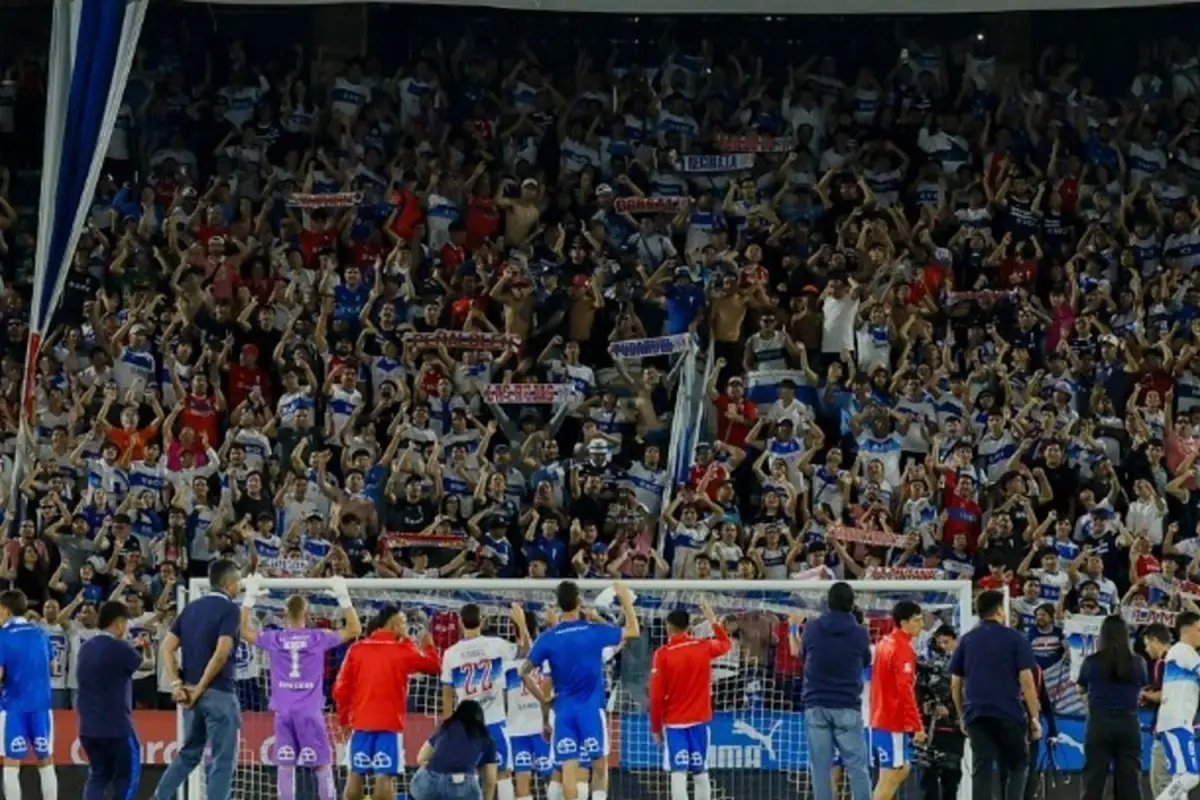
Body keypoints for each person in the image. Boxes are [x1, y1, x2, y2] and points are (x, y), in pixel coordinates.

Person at [240, 574, 362, 800]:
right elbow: (355, 629)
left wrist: (249, 599)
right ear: (307, 614)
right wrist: (343, 596)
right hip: (309, 712)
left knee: (285, 766)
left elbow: (243, 631)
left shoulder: (275, 638)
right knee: (322, 766)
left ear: (284, 614)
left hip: (283, 713)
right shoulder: (318, 637)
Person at [521, 580, 640, 800]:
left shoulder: (547, 638)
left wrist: (544, 701)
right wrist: (625, 600)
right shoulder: (592, 631)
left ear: (558, 604)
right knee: (600, 767)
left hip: (564, 711)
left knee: (568, 770)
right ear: (578, 601)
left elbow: (523, 672)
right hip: (591, 709)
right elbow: (633, 630)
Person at [151, 558, 243, 800]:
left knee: (189, 753)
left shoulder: (190, 608)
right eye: (238, 581)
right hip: (218, 693)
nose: (239, 586)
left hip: (190, 695)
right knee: (222, 759)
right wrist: (201, 687)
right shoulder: (230, 609)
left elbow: (167, 648)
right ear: (229, 583)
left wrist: (177, 684)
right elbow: (221, 653)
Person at [333, 603, 442, 800]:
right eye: (404, 623)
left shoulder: (357, 649)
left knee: (355, 773)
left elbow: (340, 689)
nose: (406, 628)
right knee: (385, 775)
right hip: (389, 724)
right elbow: (434, 666)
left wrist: (343, 720)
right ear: (394, 625)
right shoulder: (402, 650)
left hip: (360, 722)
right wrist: (427, 645)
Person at [949, 589, 1041, 800]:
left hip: (976, 714)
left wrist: (962, 715)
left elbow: (955, 684)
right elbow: (1027, 681)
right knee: (1018, 764)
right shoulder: (1016, 638)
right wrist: (1034, 717)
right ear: (1000, 610)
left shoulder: (966, 640)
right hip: (1008, 713)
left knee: (981, 767)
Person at [441, 602, 531, 800]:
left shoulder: (450, 654)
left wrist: (448, 726)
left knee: (468, 775)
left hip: (467, 726)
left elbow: (446, 692)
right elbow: (525, 650)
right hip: (494, 721)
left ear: (460, 622)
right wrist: (520, 622)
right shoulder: (496, 645)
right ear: (482, 621)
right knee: (502, 773)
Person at [647, 598, 732, 800]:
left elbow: (656, 695)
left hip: (675, 723)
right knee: (700, 771)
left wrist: (656, 727)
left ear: (668, 627)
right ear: (689, 626)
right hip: (699, 721)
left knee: (678, 772)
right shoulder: (703, 646)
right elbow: (726, 644)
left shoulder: (663, 654)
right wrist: (713, 620)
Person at [800, 581, 872, 800]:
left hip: (816, 703)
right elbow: (866, 661)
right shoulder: (860, 633)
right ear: (852, 604)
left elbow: (804, 656)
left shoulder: (812, 628)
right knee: (857, 766)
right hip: (847, 704)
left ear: (828, 602)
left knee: (820, 768)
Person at [76, 600, 148, 800]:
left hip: (88, 727)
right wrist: (142, 647)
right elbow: (145, 664)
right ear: (118, 623)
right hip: (116, 727)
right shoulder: (119, 647)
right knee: (127, 775)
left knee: (98, 776)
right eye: (125, 623)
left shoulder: (85, 648)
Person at [1076, 614, 1146, 799]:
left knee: (1093, 780)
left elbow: (1081, 688)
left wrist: (1089, 700)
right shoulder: (1138, 662)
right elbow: (1141, 688)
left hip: (1099, 723)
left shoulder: (1091, 661)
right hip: (1128, 723)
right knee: (1129, 781)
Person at [0, 589, 57, 800]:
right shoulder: (41, 632)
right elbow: (52, 666)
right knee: (45, 760)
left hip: (13, 706)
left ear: (5, 610)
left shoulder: (2, 636)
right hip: (41, 705)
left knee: (11, 762)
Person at [869, 600, 926, 800]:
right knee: (893, 773)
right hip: (892, 721)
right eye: (917, 620)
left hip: (880, 716)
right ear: (904, 623)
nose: (921, 625)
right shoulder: (902, 648)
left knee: (901, 769)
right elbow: (905, 689)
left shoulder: (885, 642)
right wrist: (916, 725)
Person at [1153, 611, 1200, 800]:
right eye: (1199, 629)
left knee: (1180, 780)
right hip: (1177, 722)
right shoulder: (1184, 650)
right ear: (1187, 630)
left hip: (1175, 721)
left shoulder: (1181, 653)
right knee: (1190, 776)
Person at [412, 698, 499, 800]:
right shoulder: (486, 738)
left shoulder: (446, 727)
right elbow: (490, 781)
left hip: (427, 786)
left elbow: (420, 758)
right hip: (460, 788)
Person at [916, 625, 963, 800]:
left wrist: (952, 711)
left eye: (947, 642)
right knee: (928, 776)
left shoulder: (965, 665)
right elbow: (919, 693)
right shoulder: (929, 666)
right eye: (940, 642)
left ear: (955, 640)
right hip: (931, 729)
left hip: (955, 730)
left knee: (951, 778)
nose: (943, 646)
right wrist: (932, 705)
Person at [1142, 624, 1172, 798]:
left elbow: (1165, 694)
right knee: (1174, 783)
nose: (1146, 649)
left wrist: (1144, 694)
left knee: (1160, 782)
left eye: (1147, 644)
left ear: (1155, 640)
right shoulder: (1180, 659)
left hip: (1165, 728)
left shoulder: (1163, 663)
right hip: (1180, 729)